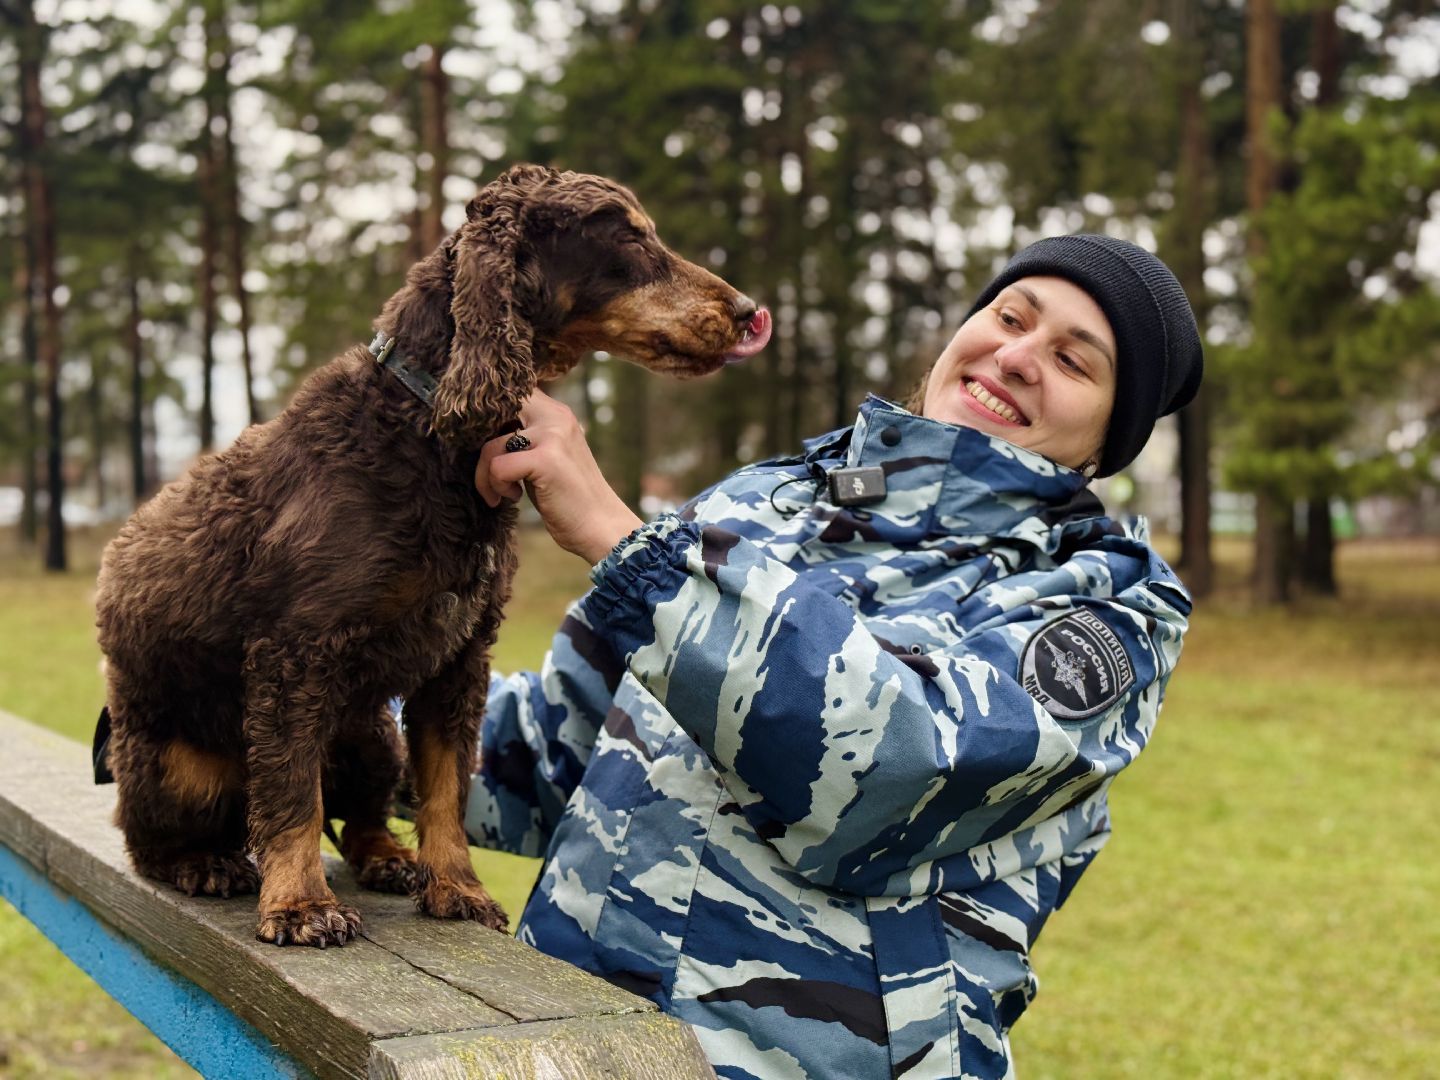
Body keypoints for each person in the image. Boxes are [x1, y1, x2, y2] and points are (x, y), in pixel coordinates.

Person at [466, 234, 1203, 1079]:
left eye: (1074, 361)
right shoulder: (768, 498)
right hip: (570, 1046)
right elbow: (554, 748)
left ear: (1108, 440)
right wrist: (346, 727)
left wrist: (627, 544)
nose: (1018, 357)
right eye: (1010, 317)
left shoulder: (1104, 606)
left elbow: (893, 773)